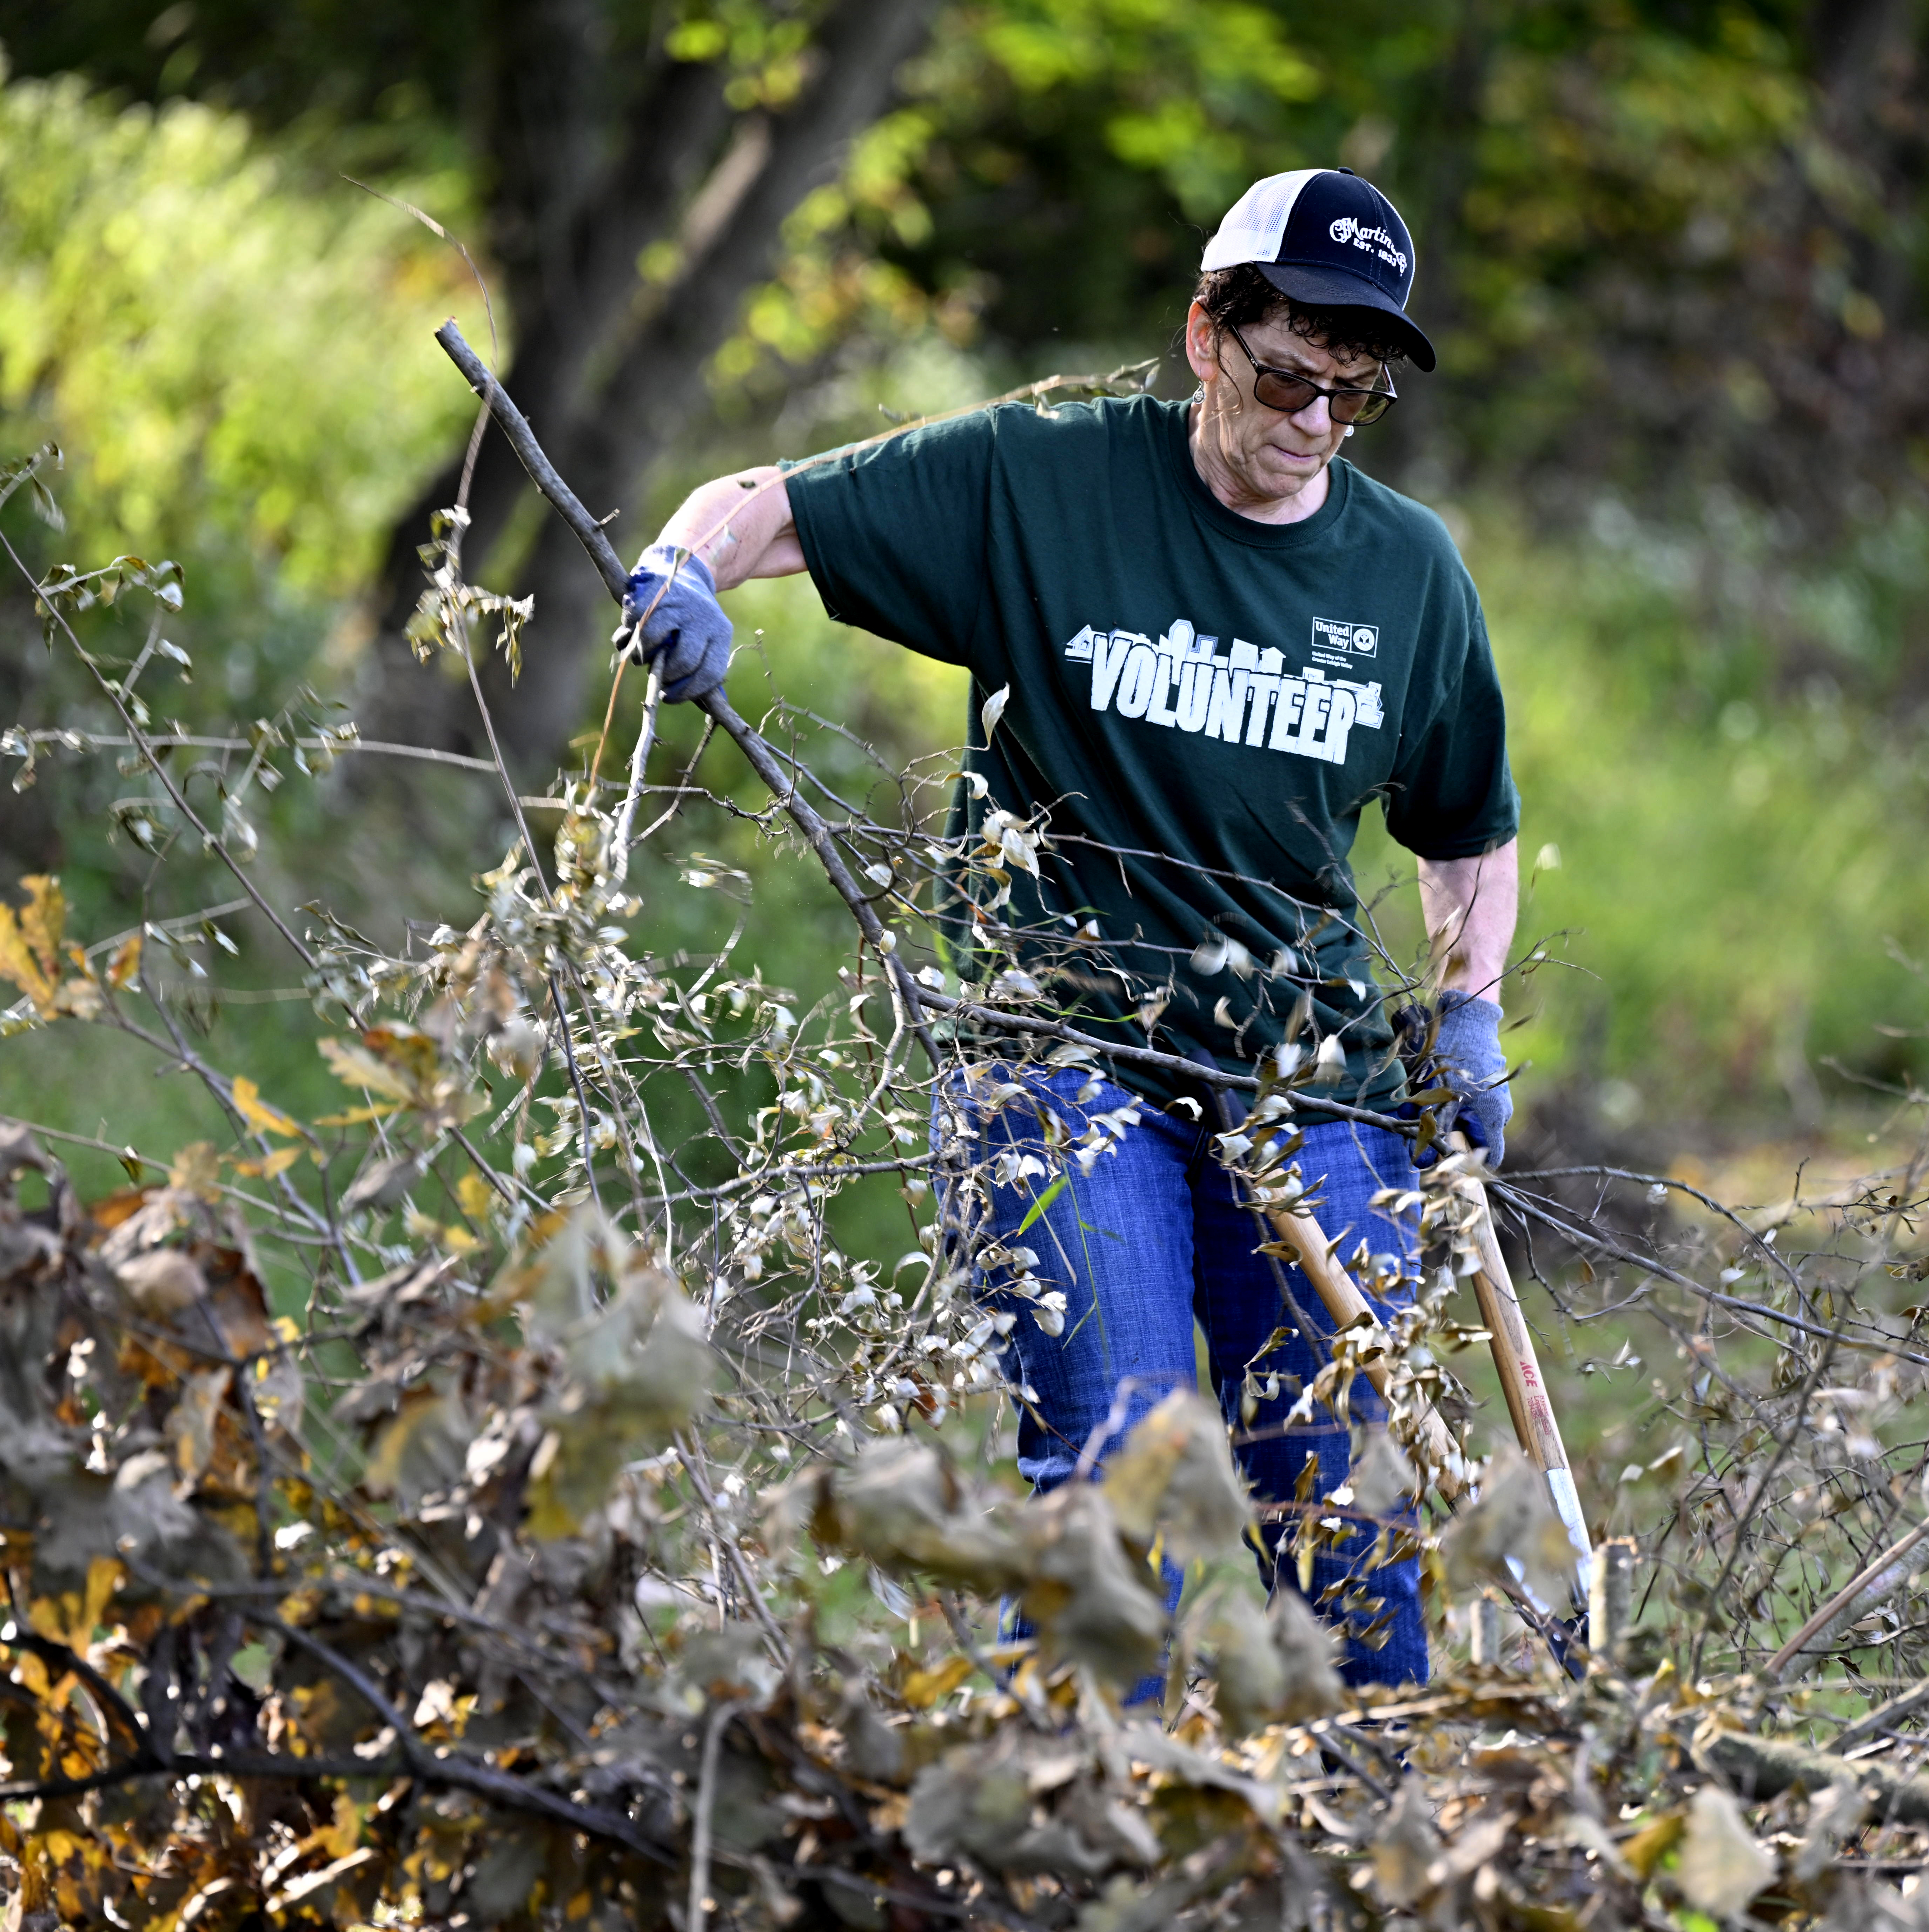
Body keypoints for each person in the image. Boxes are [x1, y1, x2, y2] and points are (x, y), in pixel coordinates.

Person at [618, 168, 1519, 1686]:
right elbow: (759, 506)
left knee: (1350, 1526)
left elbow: (1467, 824)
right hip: (1064, 1059)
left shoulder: (1407, 573)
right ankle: (1090, 1849)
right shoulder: (1039, 484)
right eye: (1285, 373)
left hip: (1313, 1086)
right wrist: (678, 571)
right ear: (1203, 336)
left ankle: (1384, 1854)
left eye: (1348, 397)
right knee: (1111, 1497)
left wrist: (1468, 1006)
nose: (1310, 421)